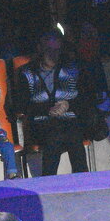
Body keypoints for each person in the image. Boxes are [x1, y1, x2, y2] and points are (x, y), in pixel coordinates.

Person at [17, 31, 90, 176]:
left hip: (70, 118)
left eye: (56, 51)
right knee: (55, 135)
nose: (53, 55)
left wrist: (68, 105)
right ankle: (49, 181)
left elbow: (86, 97)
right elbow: (21, 105)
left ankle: (83, 181)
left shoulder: (73, 69)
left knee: (73, 133)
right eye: (48, 50)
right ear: (40, 49)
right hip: (41, 121)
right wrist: (48, 110)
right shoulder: (26, 73)